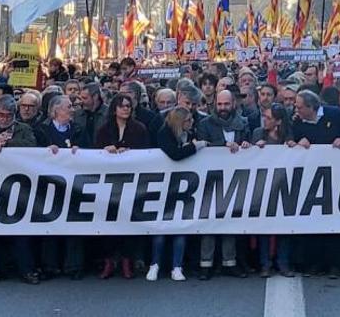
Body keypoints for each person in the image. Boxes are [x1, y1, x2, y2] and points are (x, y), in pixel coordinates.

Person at [289, 89, 340, 278]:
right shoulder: (297, 122)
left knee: (333, 223)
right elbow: (291, 139)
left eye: (300, 106)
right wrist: (296, 142)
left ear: (311, 107)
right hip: (311, 180)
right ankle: (314, 263)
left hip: (337, 177)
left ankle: (336, 265)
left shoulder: (334, 114)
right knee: (313, 223)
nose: (296, 109)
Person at [0, 95, 40, 284]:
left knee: (20, 229)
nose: (3, 119)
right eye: (1, 115)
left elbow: (32, 147)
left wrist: (9, 144)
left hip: (18, 184)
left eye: (8, 115)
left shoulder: (23, 129)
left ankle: (26, 269)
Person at [194, 89, 251, 280]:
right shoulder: (205, 124)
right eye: (219, 104)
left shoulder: (243, 123)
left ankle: (230, 262)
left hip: (236, 179)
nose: (223, 108)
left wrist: (246, 146)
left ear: (233, 104)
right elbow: (203, 146)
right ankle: (205, 264)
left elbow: (249, 144)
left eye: (226, 104)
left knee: (230, 222)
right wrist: (222, 146)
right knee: (209, 222)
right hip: (211, 180)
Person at [95, 94, 150, 279]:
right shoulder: (104, 129)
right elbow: (95, 152)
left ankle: (127, 261)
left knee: (128, 222)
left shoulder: (139, 128)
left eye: (128, 106)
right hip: (109, 184)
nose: (125, 109)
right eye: (122, 106)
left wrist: (130, 153)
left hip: (131, 182)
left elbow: (146, 153)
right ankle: (109, 262)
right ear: (115, 109)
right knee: (109, 223)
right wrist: (106, 151)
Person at [152, 106, 206, 282]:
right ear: (179, 122)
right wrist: (195, 147)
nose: (192, 123)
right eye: (188, 120)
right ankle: (155, 264)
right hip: (164, 185)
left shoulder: (190, 134)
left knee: (180, 228)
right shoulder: (164, 133)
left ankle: (177, 266)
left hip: (184, 187)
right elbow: (174, 154)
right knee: (160, 229)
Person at [36, 95, 86, 280]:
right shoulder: (41, 130)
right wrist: (46, 152)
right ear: (56, 110)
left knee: (74, 223)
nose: (72, 109)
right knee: (50, 222)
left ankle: (74, 265)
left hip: (74, 185)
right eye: (68, 107)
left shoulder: (79, 129)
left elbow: (89, 149)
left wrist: (80, 150)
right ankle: (50, 265)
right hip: (50, 184)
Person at [252, 104, 295, 278]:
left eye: (269, 118)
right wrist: (254, 146)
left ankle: (282, 263)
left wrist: (296, 146)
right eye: (265, 116)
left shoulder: (288, 136)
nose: (265, 120)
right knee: (264, 226)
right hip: (263, 187)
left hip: (284, 186)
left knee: (284, 226)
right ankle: (265, 264)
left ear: (278, 121)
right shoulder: (258, 133)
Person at [73, 82, 108, 148]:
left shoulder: (109, 114)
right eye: (81, 98)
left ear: (95, 97)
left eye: (85, 98)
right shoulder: (77, 114)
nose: (81, 101)